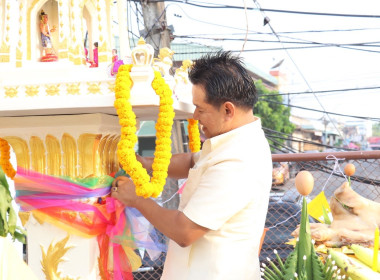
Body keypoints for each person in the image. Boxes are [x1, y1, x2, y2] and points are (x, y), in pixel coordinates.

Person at [111, 51, 273, 279]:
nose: (195, 116)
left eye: (201, 108)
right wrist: (144, 163)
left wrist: (136, 199)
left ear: (228, 110)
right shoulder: (231, 142)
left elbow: (184, 231)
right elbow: (192, 161)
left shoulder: (239, 160)